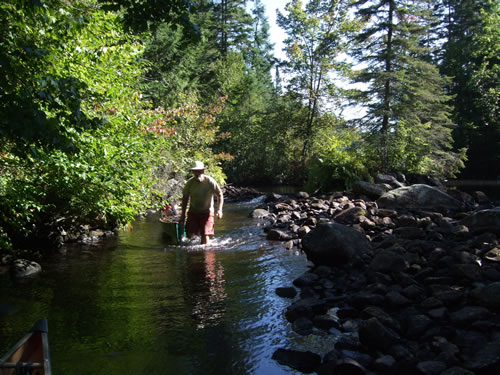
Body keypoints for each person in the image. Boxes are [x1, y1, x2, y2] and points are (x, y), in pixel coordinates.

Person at [180, 161, 224, 245]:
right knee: (190, 235)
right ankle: (194, 254)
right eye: (195, 171)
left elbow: (219, 194)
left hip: (207, 212)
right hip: (193, 212)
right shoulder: (189, 183)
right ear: (192, 172)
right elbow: (185, 198)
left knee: (205, 235)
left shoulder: (210, 181)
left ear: (203, 171)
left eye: (199, 171)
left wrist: (220, 210)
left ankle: (206, 254)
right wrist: (183, 215)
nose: (197, 173)